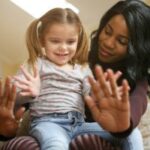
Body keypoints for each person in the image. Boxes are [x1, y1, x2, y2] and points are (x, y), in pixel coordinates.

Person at [12, 7, 134, 150]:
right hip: (48, 123)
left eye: (70, 42)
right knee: (56, 145)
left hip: (79, 124)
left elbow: (91, 92)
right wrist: (28, 93)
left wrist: (100, 95)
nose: (63, 48)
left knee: (130, 134)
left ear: (78, 41)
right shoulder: (35, 63)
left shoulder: (82, 68)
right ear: (42, 40)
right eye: (55, 41)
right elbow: (12, 96)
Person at [71, 0, 150, 150]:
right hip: (66, 128)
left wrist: (123, 125)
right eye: (107, 31)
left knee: (134, 134)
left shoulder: (138, 81)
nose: (108, 43)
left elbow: (137, 104)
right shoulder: (79, 61)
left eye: (121, 41)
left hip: (108, 135)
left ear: (137, 49)